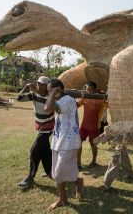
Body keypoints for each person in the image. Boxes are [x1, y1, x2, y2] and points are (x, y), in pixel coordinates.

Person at [44, 79, 83, 210]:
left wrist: (53, 92)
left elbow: (47, 108)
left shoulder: (67, 100)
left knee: (59, 172)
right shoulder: (60, 100)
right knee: (57, 171)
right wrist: (53, 93)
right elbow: (49, 108)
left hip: (69, 141)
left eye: (50, 90)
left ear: (57, 89)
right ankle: (64, 198)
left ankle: (75, 184)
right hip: (58, 140)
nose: (48, 93)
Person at [17, 76, 54, 188]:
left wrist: (36, 90)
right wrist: (25, 87)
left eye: (43, 84)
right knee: (45, 150)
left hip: (48, 127)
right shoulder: (34, 94)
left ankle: (30, 177)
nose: (39, 86)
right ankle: (49, 171)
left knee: (34, 150)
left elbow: (47, 102)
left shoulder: (51, 96)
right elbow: (19, 98)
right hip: (40, 127)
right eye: (39, 84)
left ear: (48, 87)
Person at [77, 82, 105, 169]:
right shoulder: (84, 98)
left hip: (94, 127)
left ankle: (93, 161)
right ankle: (78, 163)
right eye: (87, 90)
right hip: (84, 125)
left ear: (95, 89)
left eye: (90, 90)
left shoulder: (101, 99)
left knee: (93, 145)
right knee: (78, 143)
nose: (88, 92)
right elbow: (77, 105)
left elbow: (110, 104)